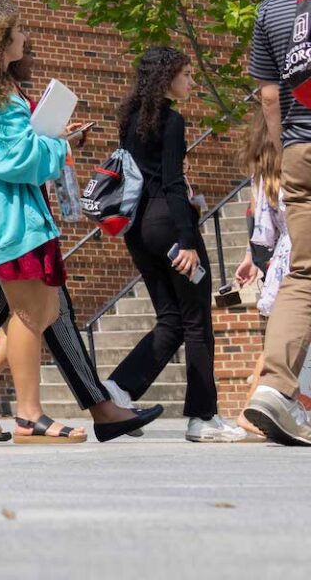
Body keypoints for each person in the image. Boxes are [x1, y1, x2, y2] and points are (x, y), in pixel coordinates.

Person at [0, 2, 158, 442]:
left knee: (46, 309)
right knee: (28, 313)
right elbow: (20, 160)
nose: (25, 37)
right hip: (10, 219)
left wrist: (51, 139)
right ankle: (28, 414)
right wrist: (57, 143)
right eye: (17, 30)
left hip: (8, 217)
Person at [100, 48, 243, 442]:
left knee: (171, 319)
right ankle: (203, 417)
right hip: (169, 226)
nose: (191, 82)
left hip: (137, 229)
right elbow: (172, 183)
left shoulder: (130, 120)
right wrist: (187, 238)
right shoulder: (172, 121)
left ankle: (119, 390)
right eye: (186, 74)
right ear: (166, 78)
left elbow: (144, 178)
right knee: (197, 322)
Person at [243, 0, 311, 446]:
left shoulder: (272, 10)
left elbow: (269, 95)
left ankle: (273, 389)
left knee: (305, 275)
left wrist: (283, 145)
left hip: (299, 150)